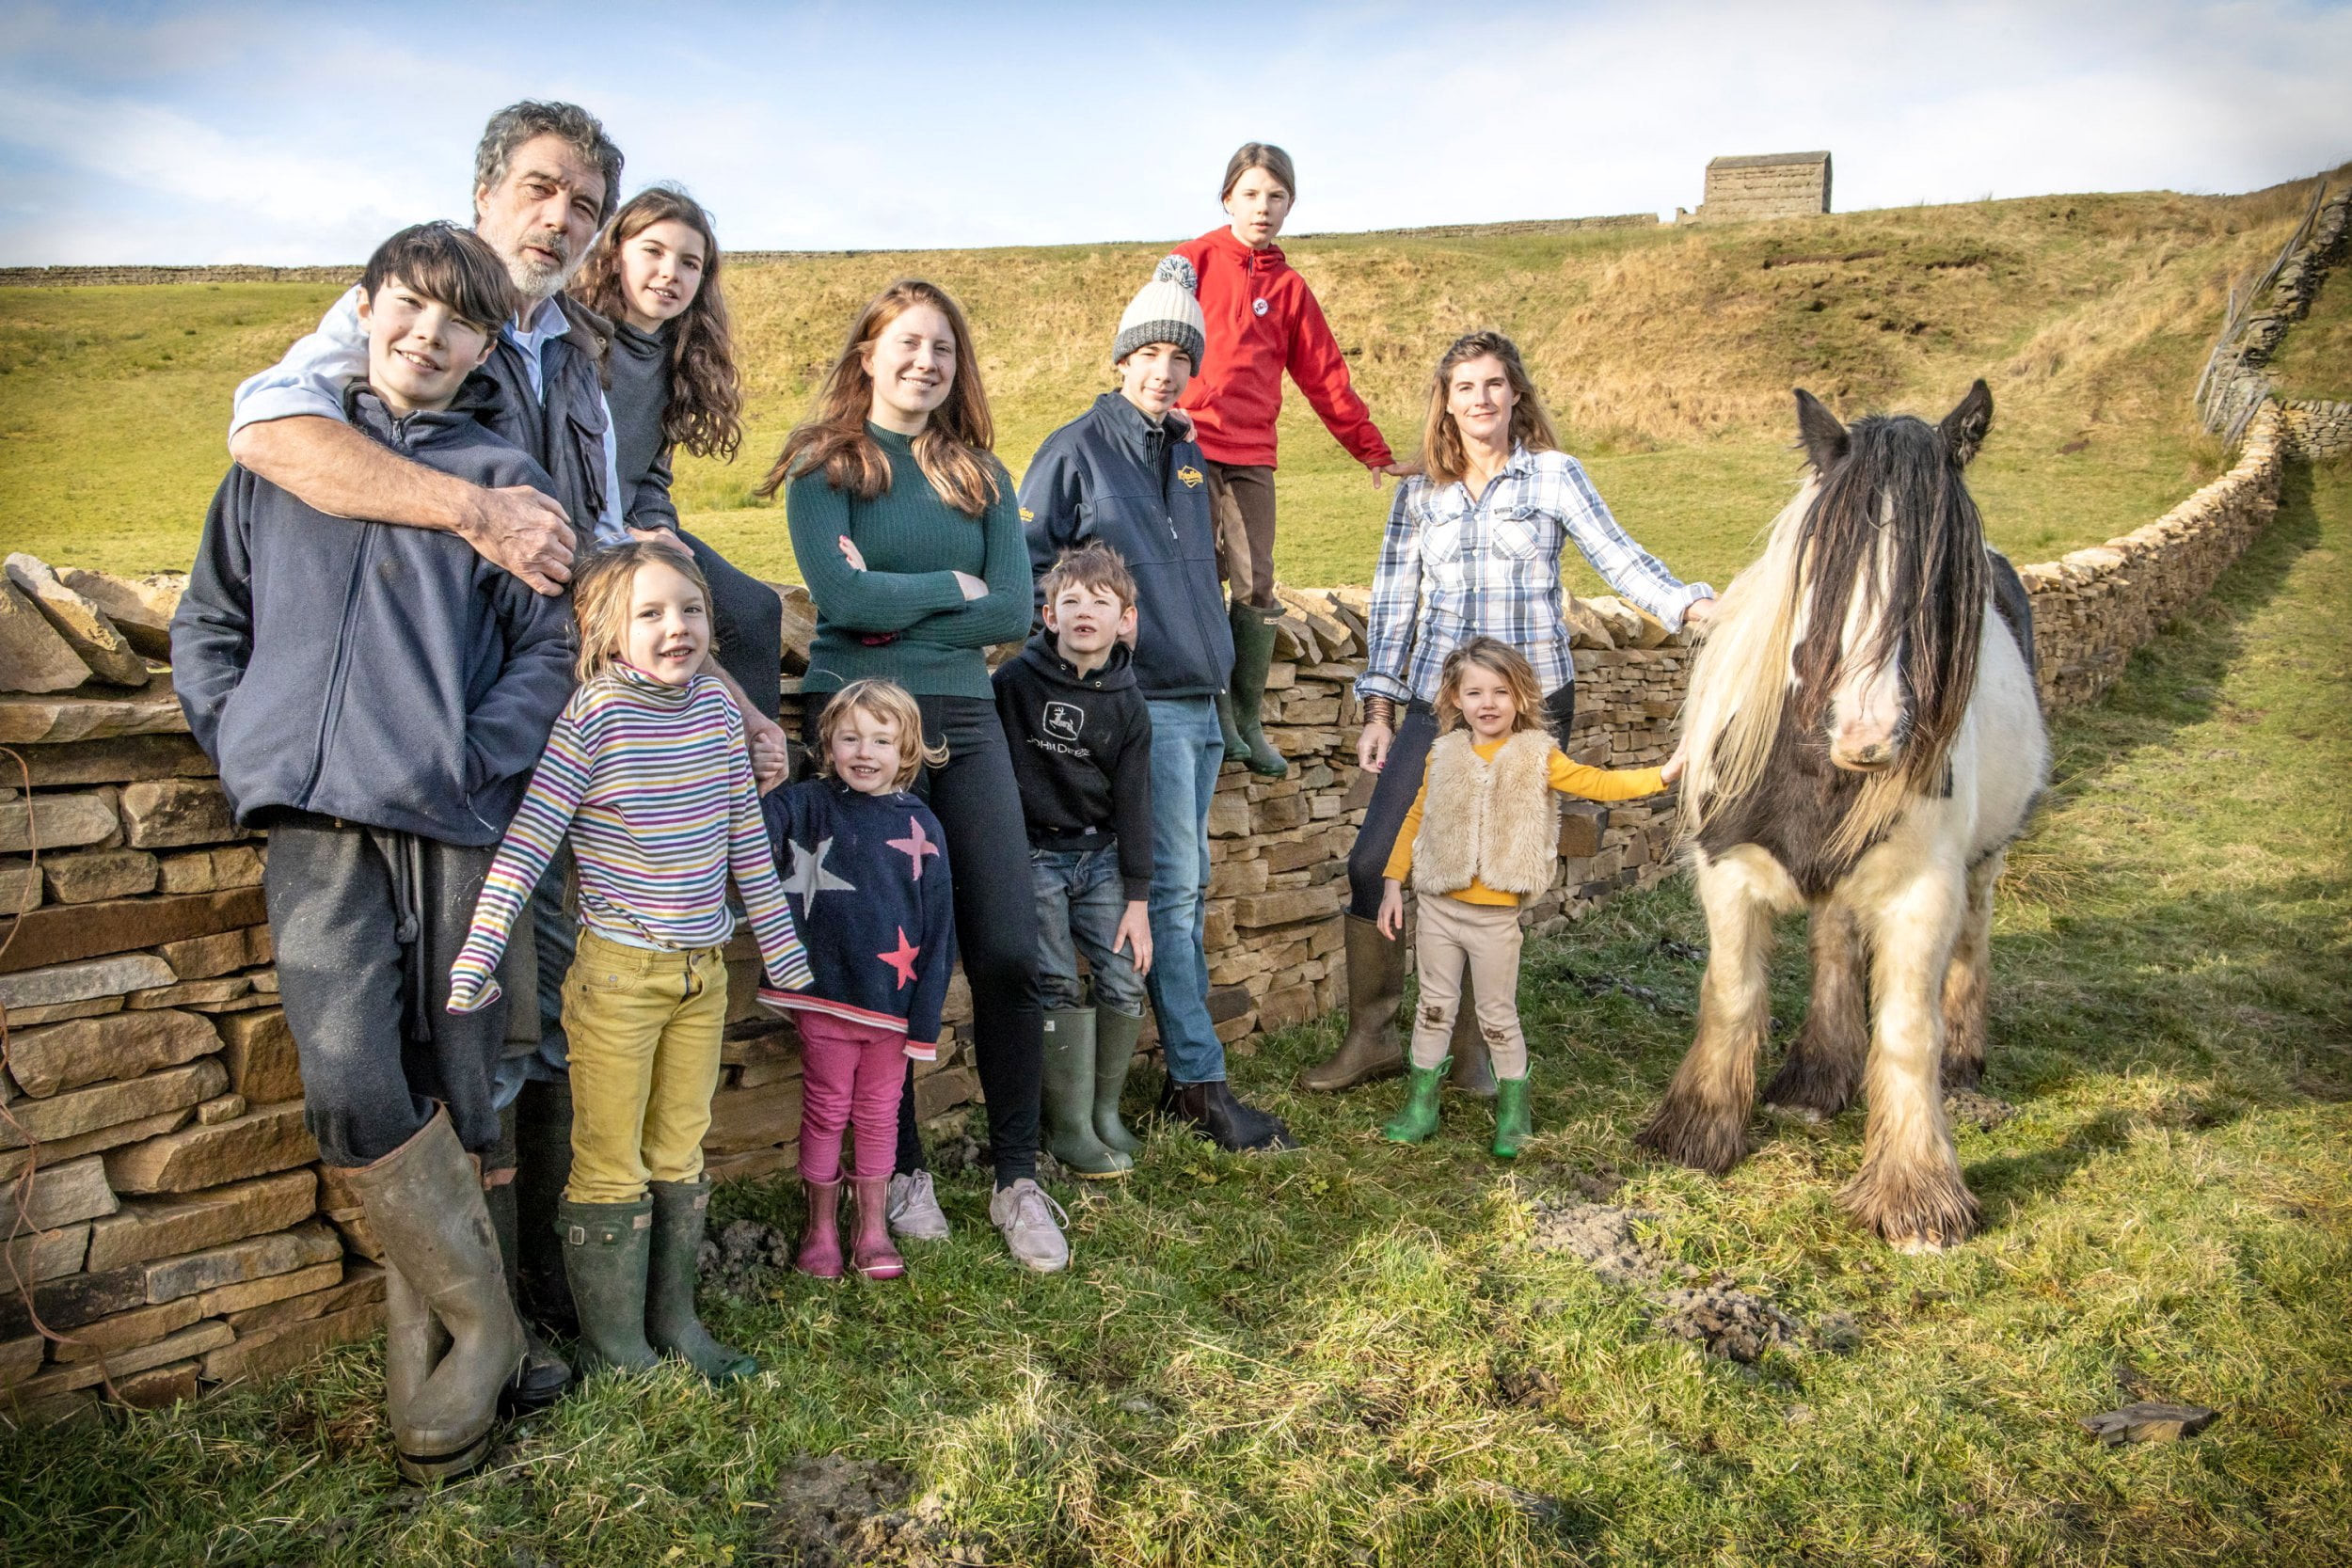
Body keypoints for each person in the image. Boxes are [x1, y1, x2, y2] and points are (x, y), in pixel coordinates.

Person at [225, 100, 785, 1354]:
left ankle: (586, 1305)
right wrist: (471, 520)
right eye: (542, 189)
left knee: (579, 1008)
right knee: (494, 1029)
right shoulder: (413, 307)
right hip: (462, 748)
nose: (560, 219)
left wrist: (727, 689)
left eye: (584, 205)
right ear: (485, 194)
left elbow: (611, 526)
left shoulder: (575, 354)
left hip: (593, 722)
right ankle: (508, 1320)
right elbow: (266, 429)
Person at [171, 223, 576, 1483]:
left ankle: (438, 1362)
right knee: (348, 1068)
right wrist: (244, 736)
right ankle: (489, 1319)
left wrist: (473, 754)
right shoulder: (283, 464)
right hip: (311, 814)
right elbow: (210, 618)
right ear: (366, 306)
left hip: (447, 817)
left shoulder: (504, 478)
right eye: (411, 307)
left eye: (461, 323)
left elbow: (548, 650)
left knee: (461, 1064)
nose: (430, 336)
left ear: (484, 346)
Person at [1304, 330, 1716, 1101]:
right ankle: (1372, 1036)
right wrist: (1380, 705)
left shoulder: (1554, 478)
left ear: (1515, 394)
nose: (1481, 400)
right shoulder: (1418, 494)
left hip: (1527, 707)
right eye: (1465, 388)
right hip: (1438, 695)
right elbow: (1395, 602)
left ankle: (1472, 1050)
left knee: (1483, 871)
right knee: (1373, 858)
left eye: (1494, 384)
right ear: (1447, 402)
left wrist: (1688, 603)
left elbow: (1617, 556)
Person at [759, 278, 1071, 1272]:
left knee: (1008, 947)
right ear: (866, 354)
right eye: (906, 344)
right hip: (860, 724)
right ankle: (902, 1170)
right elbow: (835, 594)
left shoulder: (980, 473)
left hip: (966, 722)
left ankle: (1017, 1175)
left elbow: (1012, 614)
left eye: (942, 347)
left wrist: (890, 609)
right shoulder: (825, 468)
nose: (925, 362)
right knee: (874, 954)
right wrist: (950, 586)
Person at [446, 541, 812, 1381]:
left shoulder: (719, 716)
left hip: (701, 972)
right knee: (610, 1154)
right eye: (650, 613)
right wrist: (480, 952)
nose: (676, 627)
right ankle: (616, 1347)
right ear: (608, 632)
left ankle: (674, 1322)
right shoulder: (593, 720)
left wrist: (783, 949)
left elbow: (746, 843)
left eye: (689, 610)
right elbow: (530, 841)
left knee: (679, 1145)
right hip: (618, 975)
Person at [1017, 273, 1297, 1153]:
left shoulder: (1185, 451)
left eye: (1181, 357)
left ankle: (1179, 1076)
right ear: (1122, 358)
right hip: (1149, 704)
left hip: (1202, 697)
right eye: (1150, 354)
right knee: (1171, 897)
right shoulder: (1075, 450)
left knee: (1191, 887)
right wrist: (1093, 672)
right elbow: (1031, 575)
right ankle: (1200, 1084)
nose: (1166, 371)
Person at [1374, 638, 1682, 1155]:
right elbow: (1415, 815)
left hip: (1493, 921)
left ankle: (1515, 1110)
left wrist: (1662, 775)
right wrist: (1391, 883)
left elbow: (1596, 783)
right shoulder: (1443, 753)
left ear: (1521, 697)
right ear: (1455, 697)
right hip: (1438, 911)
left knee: (1497, 1014)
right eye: (1474, 692)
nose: (1487, 703)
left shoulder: (1537, 756)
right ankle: (1420, 1105)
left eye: (1501, 691)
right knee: (1433, 1007)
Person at [1163, 141, 1411, 779]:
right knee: (1194, 572)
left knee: (1255, 581)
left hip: (1251, 454)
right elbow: (1148, 342)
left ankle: (1246, 714)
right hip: (1184, 441)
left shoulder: (1290, 288)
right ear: (1227, 198)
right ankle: (1214, 709)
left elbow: (1325, 376)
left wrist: (1370, 448)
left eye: (1276, 196)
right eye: (1250, 194)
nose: (1263, 207)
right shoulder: (1189, 263)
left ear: (1290, 204)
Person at [757, 680, 956, 1282]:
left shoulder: (922, 826)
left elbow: (939, 927)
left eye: (881, 740)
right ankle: (819, 1225)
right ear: (828, 743)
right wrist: (768, 783)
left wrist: (924, 1021)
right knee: (825, 1109)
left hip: (892, 1007)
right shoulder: (806, 805)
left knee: (878, 1115)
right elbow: (753, 837)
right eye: (850, 738)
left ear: (907, 750)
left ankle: (871, 1226)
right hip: (826, 995)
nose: (864, 752)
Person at [570, 184, 787, 718]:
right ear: (614, 252)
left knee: (752, 611)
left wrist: (660, 528)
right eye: (653, 251)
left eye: (689, 263)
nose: (670, 272)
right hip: (573, 528)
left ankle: (751, 766)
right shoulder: (573, 339)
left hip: (632, 526)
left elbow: (648, 474)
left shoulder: (680, 358)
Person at [993, 544, 1155, 1178]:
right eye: (1071, 600)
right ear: (1049, 616)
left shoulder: (1128, 702)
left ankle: (1104, 1115)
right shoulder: (1012, 683)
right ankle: (1068, 1129)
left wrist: (1138, 898)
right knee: (1057, 980)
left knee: (1121, 976)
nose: (1085, 609)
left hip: (1101, 859)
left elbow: (1137, 801)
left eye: (1101, 601)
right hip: (1035, 855)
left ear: (1125, 620)